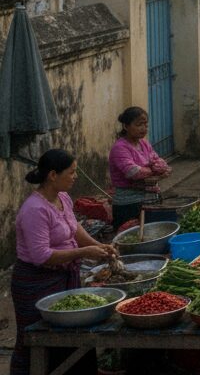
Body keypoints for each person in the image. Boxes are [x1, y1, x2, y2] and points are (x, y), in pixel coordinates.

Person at [11, 150, 118, 375]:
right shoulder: (34, 210)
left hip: (64, 277)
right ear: (53, 175)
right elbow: (41, 256)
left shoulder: (63, 197)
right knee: (37, 337)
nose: (75, 176)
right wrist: (83, 252)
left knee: (74, 333)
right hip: (37, 283)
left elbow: (74, 229)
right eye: (71, 172)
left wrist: (98, 246)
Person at [108, 106, 171, 227]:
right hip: (128, 205)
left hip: (149, 199)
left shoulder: (144, 144)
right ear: (126, 126)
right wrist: (154, 170)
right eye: (139, 125)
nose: (144, 128)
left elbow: (159, 162)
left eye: (146, 125)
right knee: (133, 235)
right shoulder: (120, 148)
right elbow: (133, 172)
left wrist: (158, 168)